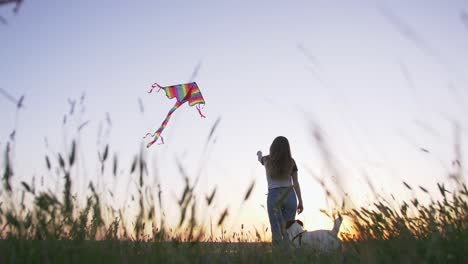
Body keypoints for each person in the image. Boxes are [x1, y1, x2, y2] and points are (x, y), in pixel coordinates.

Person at [257, 136, 303, 247]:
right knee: (288, 231)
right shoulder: (291, 162)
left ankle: (277, 257)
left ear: (273, 147)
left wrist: (259, 153)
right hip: (290, 196)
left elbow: (260, 159)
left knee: (276, 230)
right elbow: (295, 182)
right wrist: (300, 201)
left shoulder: (267, 160)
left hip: (274, 197)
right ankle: (288, 257)